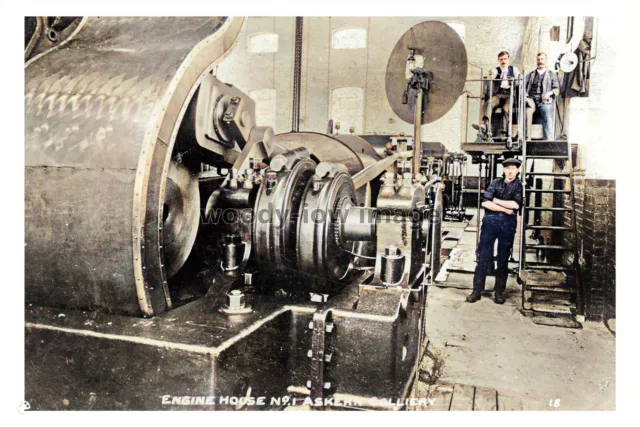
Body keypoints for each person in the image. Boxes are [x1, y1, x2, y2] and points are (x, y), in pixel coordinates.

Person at [466, 158, 523, 304]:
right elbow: (485, 202)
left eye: (513, 168)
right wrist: (504, 208)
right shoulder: (495, 183)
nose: (510, 171)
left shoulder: (518, 186)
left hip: (507, 226)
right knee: (483, 257)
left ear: (517, 170)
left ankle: (499, 292)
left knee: (503, 259)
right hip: (490, 224)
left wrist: (495, 201)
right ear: (504, 170)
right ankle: (477, 291)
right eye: (508, 168)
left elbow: (516, 205)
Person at [481, 51, 521, 137]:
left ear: (508, 59)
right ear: (498, 60)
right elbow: (490, 76)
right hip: (498, 95)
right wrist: (491, 74)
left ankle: (504, 132)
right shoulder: (496, 70)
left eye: (505, 59)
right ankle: (486, 126)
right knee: (489, 103)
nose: (503, 61)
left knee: (506, 108)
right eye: (501, 59)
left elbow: (519, 81)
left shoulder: (514, 69)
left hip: (509, 95)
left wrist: (514, 80)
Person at [524, 52, 560, 140]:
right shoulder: (531, 75)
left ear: (546, 61)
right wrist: (526, 97)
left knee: (547, 112)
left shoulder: (552, 74)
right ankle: (527, 140)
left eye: (542, 59)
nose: (540, 61)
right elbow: (522, 87)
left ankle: (549, 141)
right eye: (538, 59)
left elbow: (557, 89)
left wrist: (549, 93)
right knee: (527, 113)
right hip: (531, 100)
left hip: (544, 101)